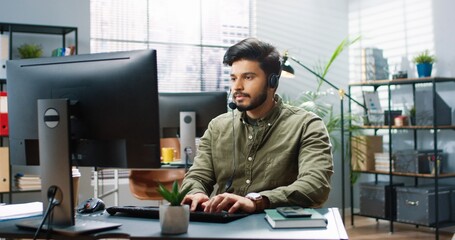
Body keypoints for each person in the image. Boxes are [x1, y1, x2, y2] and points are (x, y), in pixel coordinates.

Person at [181, 37, 333, 214]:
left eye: (248, 77)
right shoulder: (217, 127)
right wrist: (196, 192)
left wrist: (256, 201)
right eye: (233, 78)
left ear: (272, 82)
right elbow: (198, 176)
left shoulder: (307, 125)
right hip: (225, 225)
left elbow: (315, 185)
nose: (237, 86)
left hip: (278, 226)